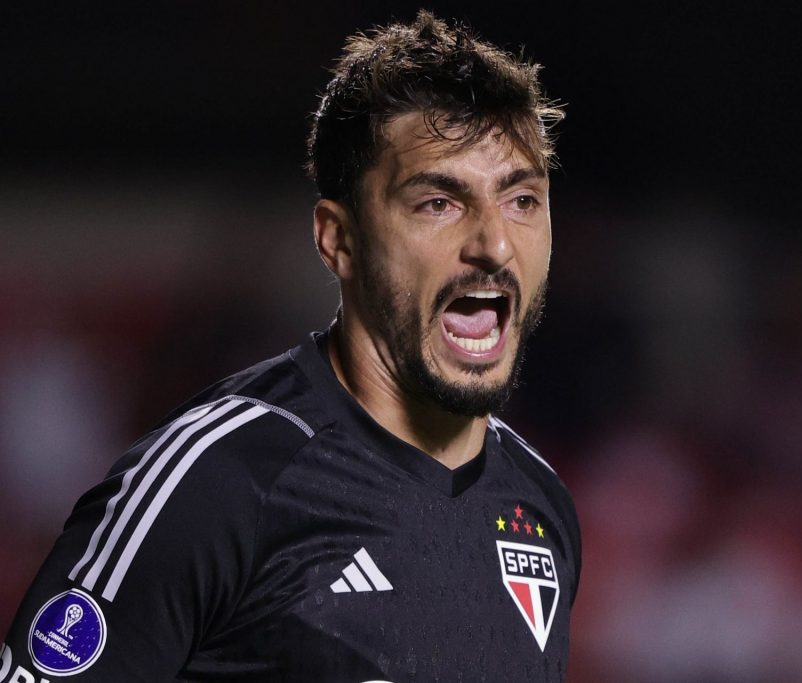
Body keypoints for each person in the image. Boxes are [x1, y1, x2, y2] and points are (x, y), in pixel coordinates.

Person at [1, 10, 580, 682]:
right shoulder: (217, 479)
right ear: (339, 239)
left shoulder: (539, 507)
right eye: (437, 203)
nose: (494, 244)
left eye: (522, 200)